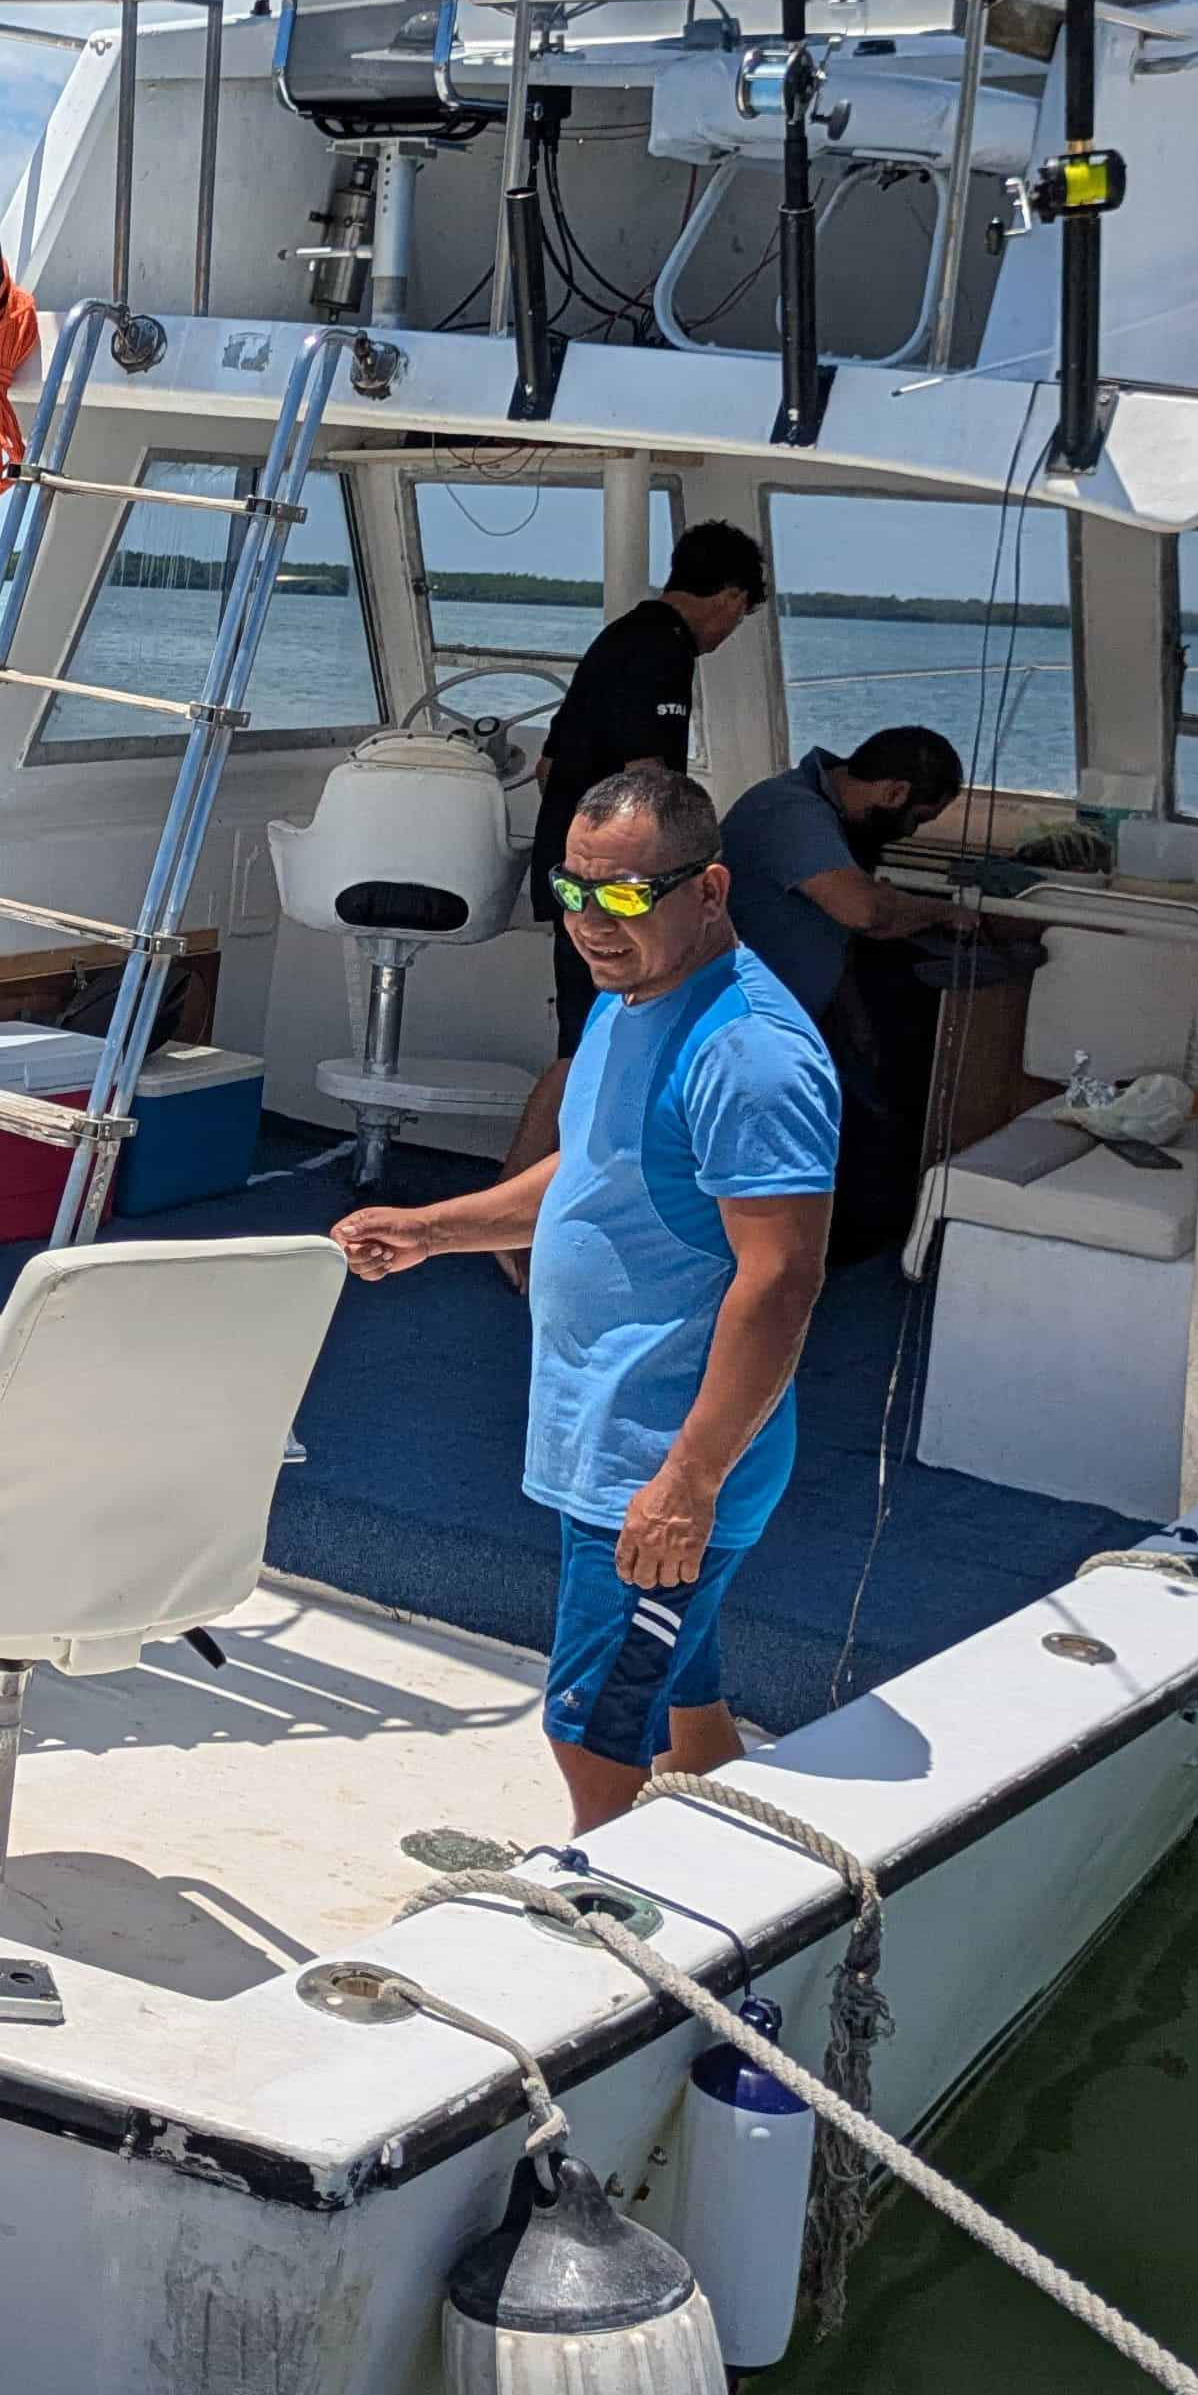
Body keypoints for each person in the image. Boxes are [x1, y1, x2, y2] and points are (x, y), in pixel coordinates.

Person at [333, 768, 837, 1831]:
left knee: (588, 1727)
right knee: (681, 1705)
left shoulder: (750, 1056)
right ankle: (739, 1869)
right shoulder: (631, 996)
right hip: (607, 1439)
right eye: (571, 892)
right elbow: (593, 1170)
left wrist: (685, 1483)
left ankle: (615, 1929)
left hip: (656, 1468)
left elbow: (782, 1279)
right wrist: (432, 1230)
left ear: (707, 888)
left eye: (622, 897)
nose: (591, 925)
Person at [724, 726, 973, 1260]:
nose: (908, 832)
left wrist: (850, 1013)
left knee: (871, 1128)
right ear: (894, 793)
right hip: (743, 1023)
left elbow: (825, 935)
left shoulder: (828, 819)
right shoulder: (791, 811)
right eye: (916, 818)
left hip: (804, 1012)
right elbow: (864, 913)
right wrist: (944, 912)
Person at [528, 520, 768, 1060]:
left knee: (584, 1043)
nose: (730, 628)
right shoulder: (664, 649)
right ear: (732, 597)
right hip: (620, 894)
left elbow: (549, 769)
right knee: (607, 1045)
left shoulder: (621, 636)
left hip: (573, 881)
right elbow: (649, 782)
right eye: (739, 613)